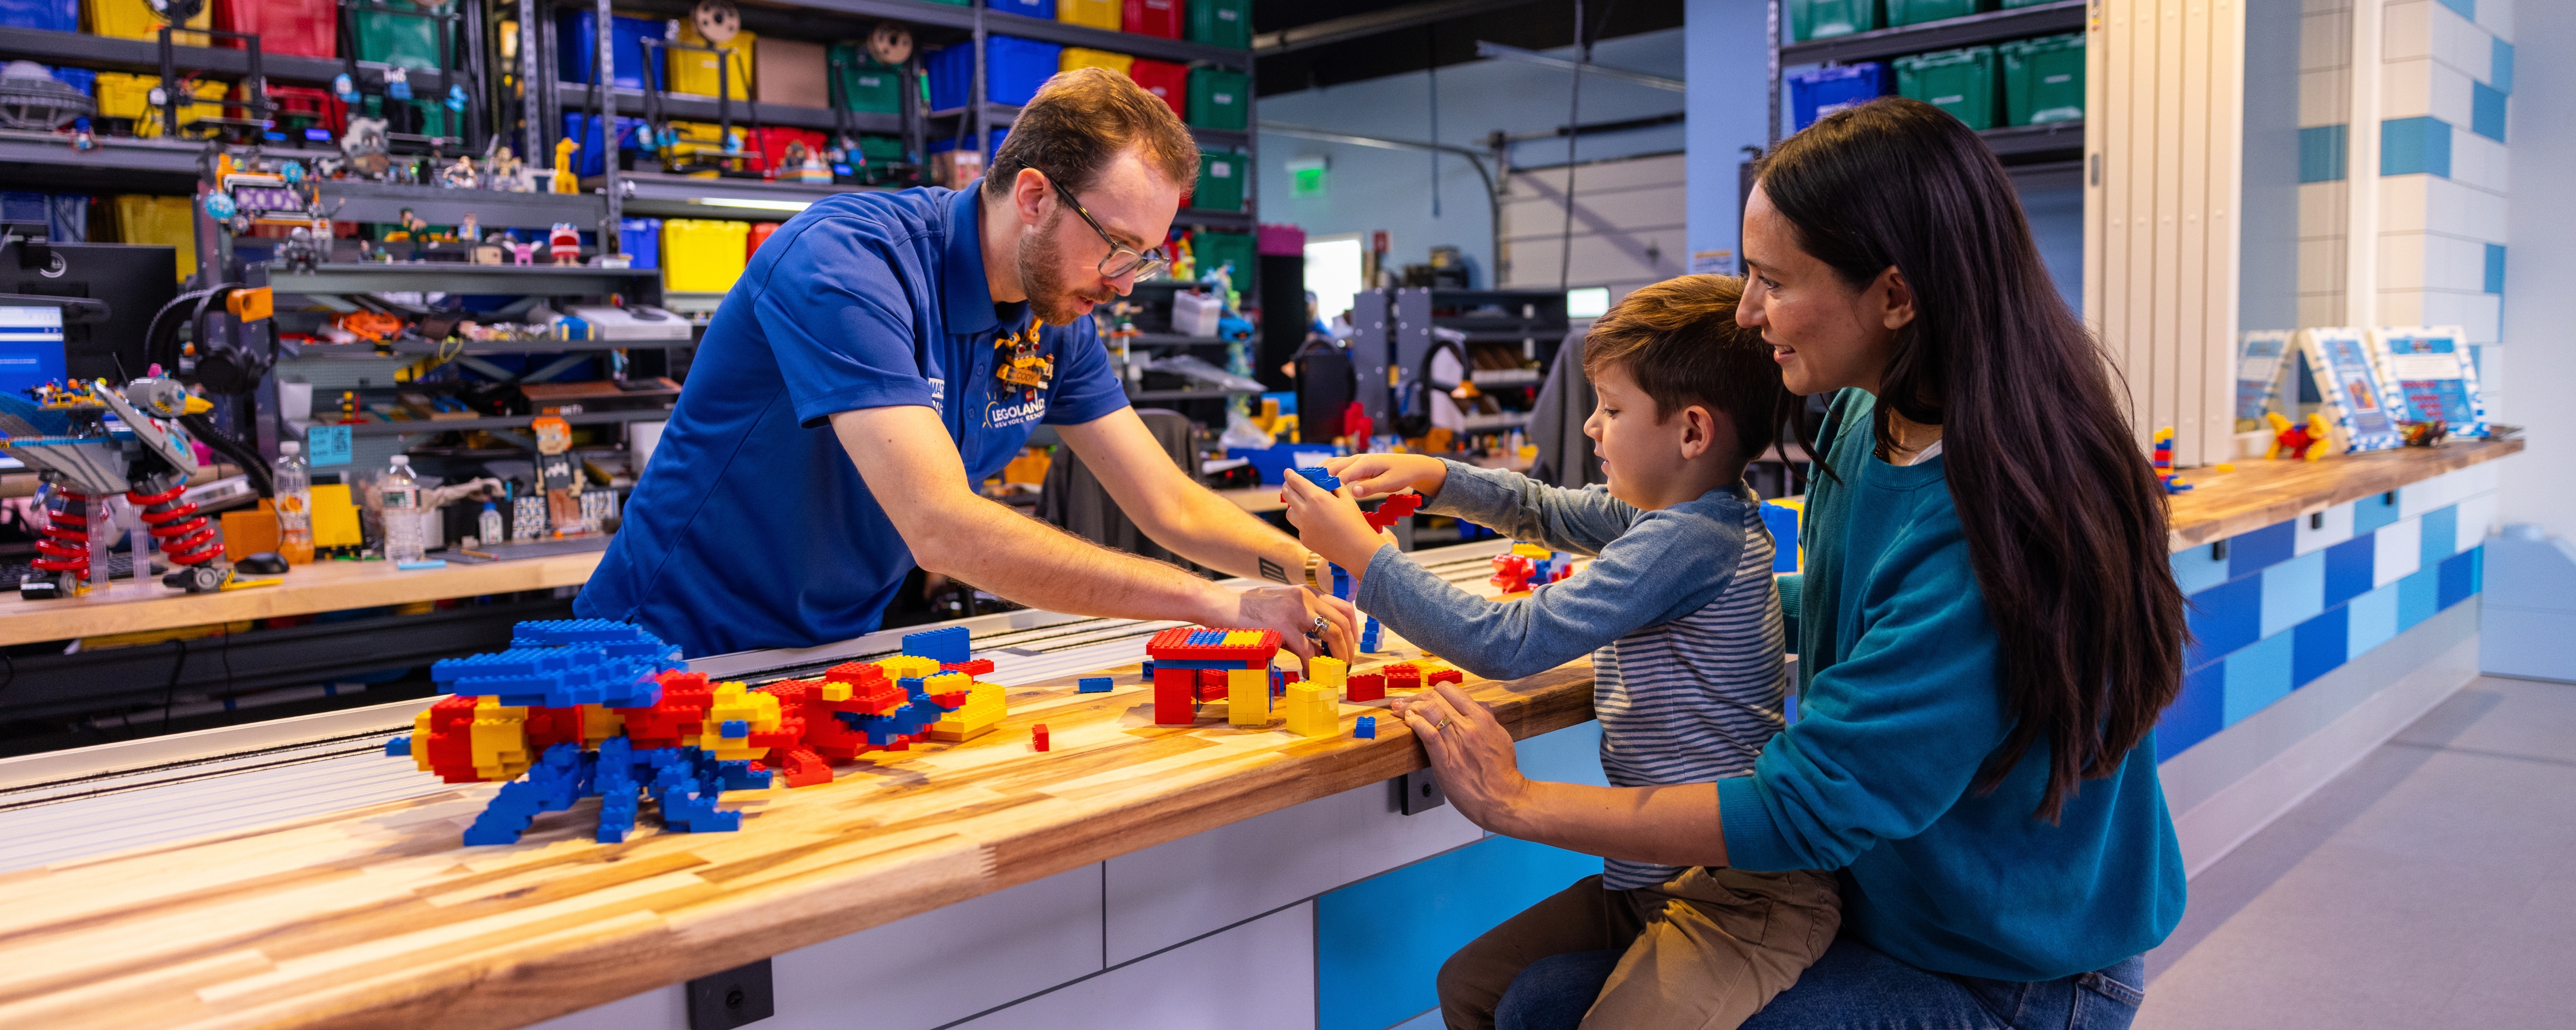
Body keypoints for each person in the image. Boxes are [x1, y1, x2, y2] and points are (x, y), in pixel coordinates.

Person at [1380, 96, 2189, 1029]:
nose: (1746, 309)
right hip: (1887, 901)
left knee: (1554, 1013)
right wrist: (1699, 600)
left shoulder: (1994, 519)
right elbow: (1860, 609)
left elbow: (1804, 808)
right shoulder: (1867, 413)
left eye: (1772, 278)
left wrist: (1519, 801)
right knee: (1528, 997)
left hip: (2012, 964)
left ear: (1894, 295)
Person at [578, 68, 1354, 662]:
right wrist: (1222, 605)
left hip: (829, 657)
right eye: (1116, 247)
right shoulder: (849, 261)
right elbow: (942, 529)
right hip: (664, 653)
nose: (1122, 283)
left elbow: (1170, 508)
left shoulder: (1053, 313)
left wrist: (1310, 567)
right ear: (1034, 196)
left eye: (1143, 260)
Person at [1282, 276, 1836, 1030]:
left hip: (1741, 897)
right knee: (1470, 985)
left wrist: (1367, 559)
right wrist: (1439, 477)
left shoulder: (1689, 538)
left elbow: (1508, 644)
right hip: (1653, 880)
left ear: (1692, 433)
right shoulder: (1671, 511)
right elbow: (1543, 508)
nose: (1591, 429)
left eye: (1611, 410)